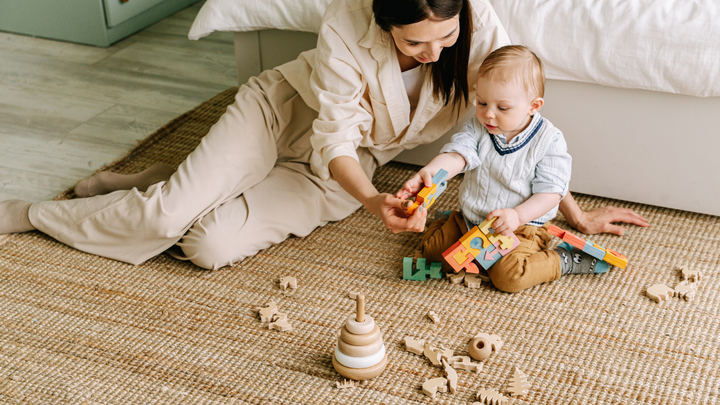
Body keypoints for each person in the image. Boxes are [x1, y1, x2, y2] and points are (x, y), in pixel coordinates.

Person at [0, 0, 647, 271]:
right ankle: (35, 213)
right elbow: (333, 135)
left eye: (445, 37)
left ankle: (166, 182)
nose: (434, 52)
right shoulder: (344, 22)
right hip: (285, 117)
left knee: (206, 243)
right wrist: (373, 202)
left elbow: (533, 139)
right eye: (415, 41)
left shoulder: (482, 32)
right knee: (168, 212)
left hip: (353, 164)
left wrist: (577, 214)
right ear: (383, 17)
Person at [397, 45, 649, 292]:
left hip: (522, 227)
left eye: (502, 108)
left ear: (533, 106)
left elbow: (551, 193)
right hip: (471, 219)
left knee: (509, 277)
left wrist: (517, 216)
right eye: (482, 102)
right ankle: (446, 220)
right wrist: (430, 171)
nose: (488, 115)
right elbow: (458, 155)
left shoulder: (548, 141)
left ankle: (563, 260)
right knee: (432, 252)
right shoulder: (478, 127)